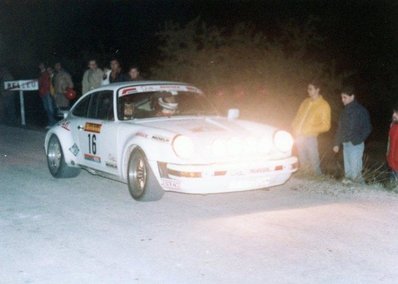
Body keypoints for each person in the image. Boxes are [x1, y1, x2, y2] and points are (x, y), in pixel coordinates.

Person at [332, 86, 372, 184]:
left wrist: (358, 140)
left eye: (345, 97)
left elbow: (368, 128)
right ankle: (350, 195)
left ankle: (362, 193)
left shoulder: (361, 110)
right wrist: (336, 143)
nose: (342, 100)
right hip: (345, 144)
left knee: (355, 173)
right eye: (342, 97)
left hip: (356, 145)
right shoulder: (344, 112)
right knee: (348, 173)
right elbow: (340, 128)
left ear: (352, 97)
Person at [292, 79, 331, 175]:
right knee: (302, 157)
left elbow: (326, 125)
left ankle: (317, 177)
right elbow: (298, 116)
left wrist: (310, 129)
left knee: (313, 158)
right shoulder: (305, 101)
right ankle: (305, 175)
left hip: (310, 136)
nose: (308, 91)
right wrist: (294, 126)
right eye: (308, 89)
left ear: (317, 90)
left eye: (310, 89)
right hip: (299, 135)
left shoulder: (324, 105)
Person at [38, 62, 56, 127]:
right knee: (46, 108)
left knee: (50, 108)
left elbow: (50, 82)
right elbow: (39, 84)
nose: (41, 66)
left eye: (42, 65)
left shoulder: (47, 72)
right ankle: (51, 122)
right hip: (42, 94)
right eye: (40, 65)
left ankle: (53, 122)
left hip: (48, 92)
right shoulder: (40, 74)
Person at [386, 104, 398, 188]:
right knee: (391, 187)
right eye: (393, 113)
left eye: (396, 113)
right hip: (391, 163)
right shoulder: (393, 126)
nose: (393, 115)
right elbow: (389, 143)